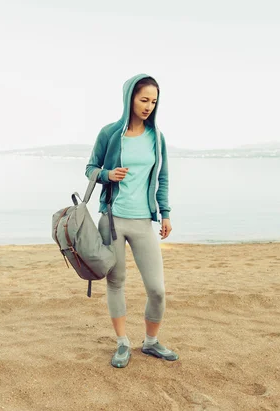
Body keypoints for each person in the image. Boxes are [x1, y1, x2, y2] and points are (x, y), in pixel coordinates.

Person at [85, 73, 178, 368]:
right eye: (143, 99)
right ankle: (122, 343)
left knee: (157, 289)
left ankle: (150, 342)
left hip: (142, 222)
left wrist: (165, 213)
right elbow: (90, 169)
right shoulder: (110, 133)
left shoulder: (157, 137)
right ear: (130, 99)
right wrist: (107, 175)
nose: (148, 106)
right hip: (112, 220)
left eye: (153, 100)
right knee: (116, 282)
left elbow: (161, 178)